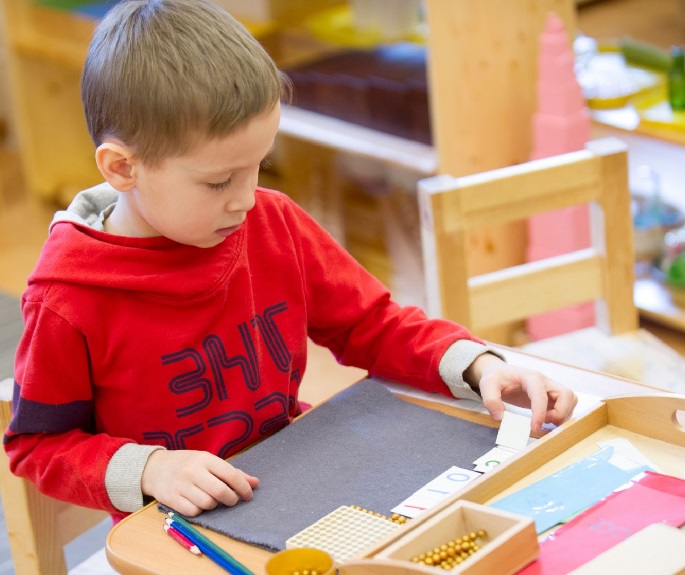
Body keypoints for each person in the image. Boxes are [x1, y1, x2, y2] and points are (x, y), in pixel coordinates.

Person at [4, 0, 577, 523]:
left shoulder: (271, 222)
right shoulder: (69, 299)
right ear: (122, 169)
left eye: (260, 166)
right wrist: (150, 469)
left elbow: (372, 324)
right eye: (219, 181)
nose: (247, 198)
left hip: (298, 482)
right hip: (177, 529)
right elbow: (38, 449)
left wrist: (480, 367)